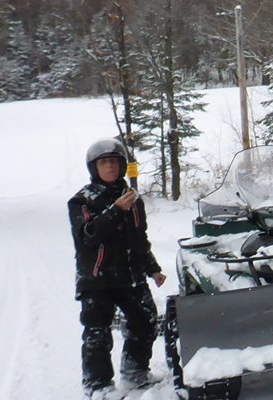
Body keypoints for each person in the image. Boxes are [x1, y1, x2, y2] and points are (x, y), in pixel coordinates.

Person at [68, 138, 167, 397]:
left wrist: (152, 268)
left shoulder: (133, 200)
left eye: (114, 161)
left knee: (145, 322)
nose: (110, 167)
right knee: (97, 334)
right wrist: (115, 210)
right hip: (97, 278)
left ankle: (136, 373)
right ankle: (98, 386)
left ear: (122, 165)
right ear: (94, 168)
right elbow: (88, 235)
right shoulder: (81, 200)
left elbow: (139, 238)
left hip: (131, 276)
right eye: (103, 163)